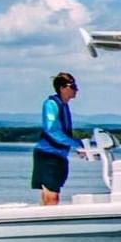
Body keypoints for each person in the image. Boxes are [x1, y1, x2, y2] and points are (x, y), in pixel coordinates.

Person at [31, 72, 82, 205]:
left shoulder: (64, 105)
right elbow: (52, 130)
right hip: (48, 155)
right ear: (62, 88)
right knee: (52, 194)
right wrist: (76, 144)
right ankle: (49, 221)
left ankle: (43, 219)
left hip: (58, 155)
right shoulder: (51, 104)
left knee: (50, 192)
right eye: (73, 86)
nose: (76, 90)